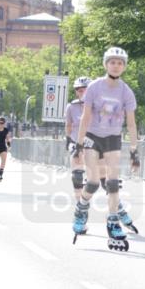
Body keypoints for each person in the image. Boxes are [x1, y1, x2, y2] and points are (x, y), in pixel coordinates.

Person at [71, 46, 140, 248]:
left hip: (112, 139)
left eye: (120, 63)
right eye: (112, 62)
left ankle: (113, 220)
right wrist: (79, 144)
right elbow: (85, 117)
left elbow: (132, 123)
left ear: (124, 67)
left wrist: (134, 150)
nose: (116, 66)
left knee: (112, 182)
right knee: (92, 182)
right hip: (93, 136)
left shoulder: (126, 92)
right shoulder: (94, 87)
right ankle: (82, 208)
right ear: (106, 64)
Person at [65, 77, 91, 205]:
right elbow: (68, 125)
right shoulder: (71, 107)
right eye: (79, 91)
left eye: (85, 90)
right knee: (77, 176)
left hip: (93, 143)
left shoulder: (97, 106)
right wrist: (68, 140)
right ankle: (79, 206)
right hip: (76, 142)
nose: (82, 93)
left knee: (98, 178)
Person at [0, 117, 12, 181]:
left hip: (2, 147)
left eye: (2, 123)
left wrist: (9, 145)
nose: (0, 124)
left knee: (3, 161)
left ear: (4, 123)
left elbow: (8, 138)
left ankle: (0, 175)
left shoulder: (6, 130)